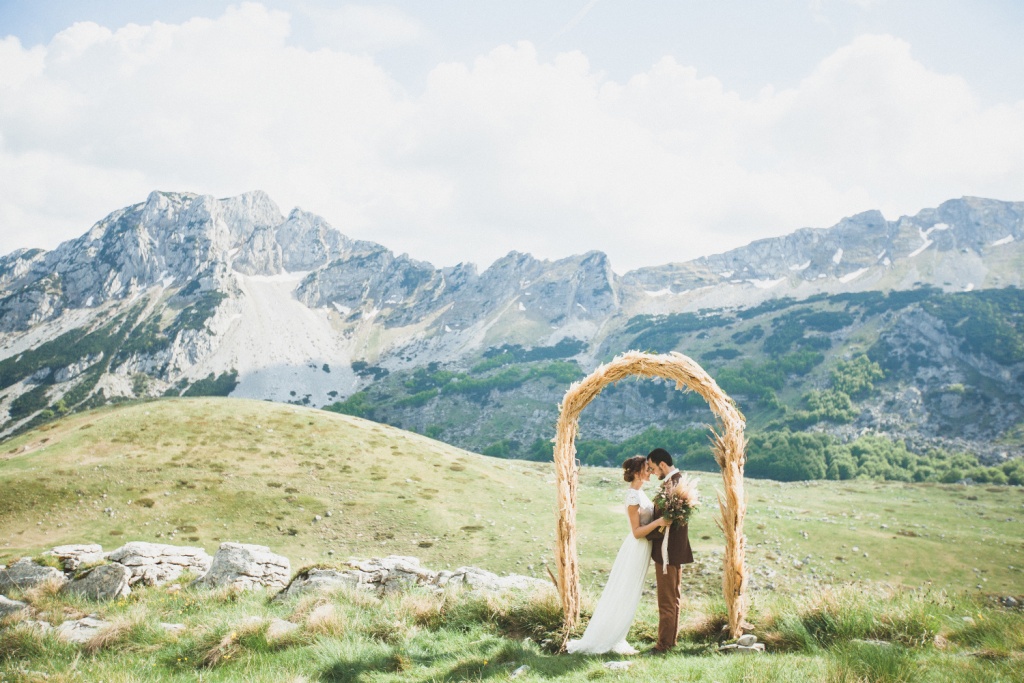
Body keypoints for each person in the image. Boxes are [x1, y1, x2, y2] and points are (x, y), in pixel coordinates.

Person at [566, 455, 666, 655]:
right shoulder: (632, 497)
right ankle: (606, 637)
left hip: (643, 548)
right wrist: (659, 522)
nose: (650, 471)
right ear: (636, 472)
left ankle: (618, 635)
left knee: (631, 593)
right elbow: (636, 531)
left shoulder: (640, 493)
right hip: (636, 548)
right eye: (646, 468)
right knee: (625, 592)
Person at [643, 448, 694, 655]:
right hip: (672, 550)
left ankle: (663, 645)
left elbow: (667, 522)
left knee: (667, 600)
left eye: (653, 468)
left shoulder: (675, 485)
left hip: (668, 551)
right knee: (673, 598)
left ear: (662, 464)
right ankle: (670, 641)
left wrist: (644, 532)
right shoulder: (674, 482)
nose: (652, 472)